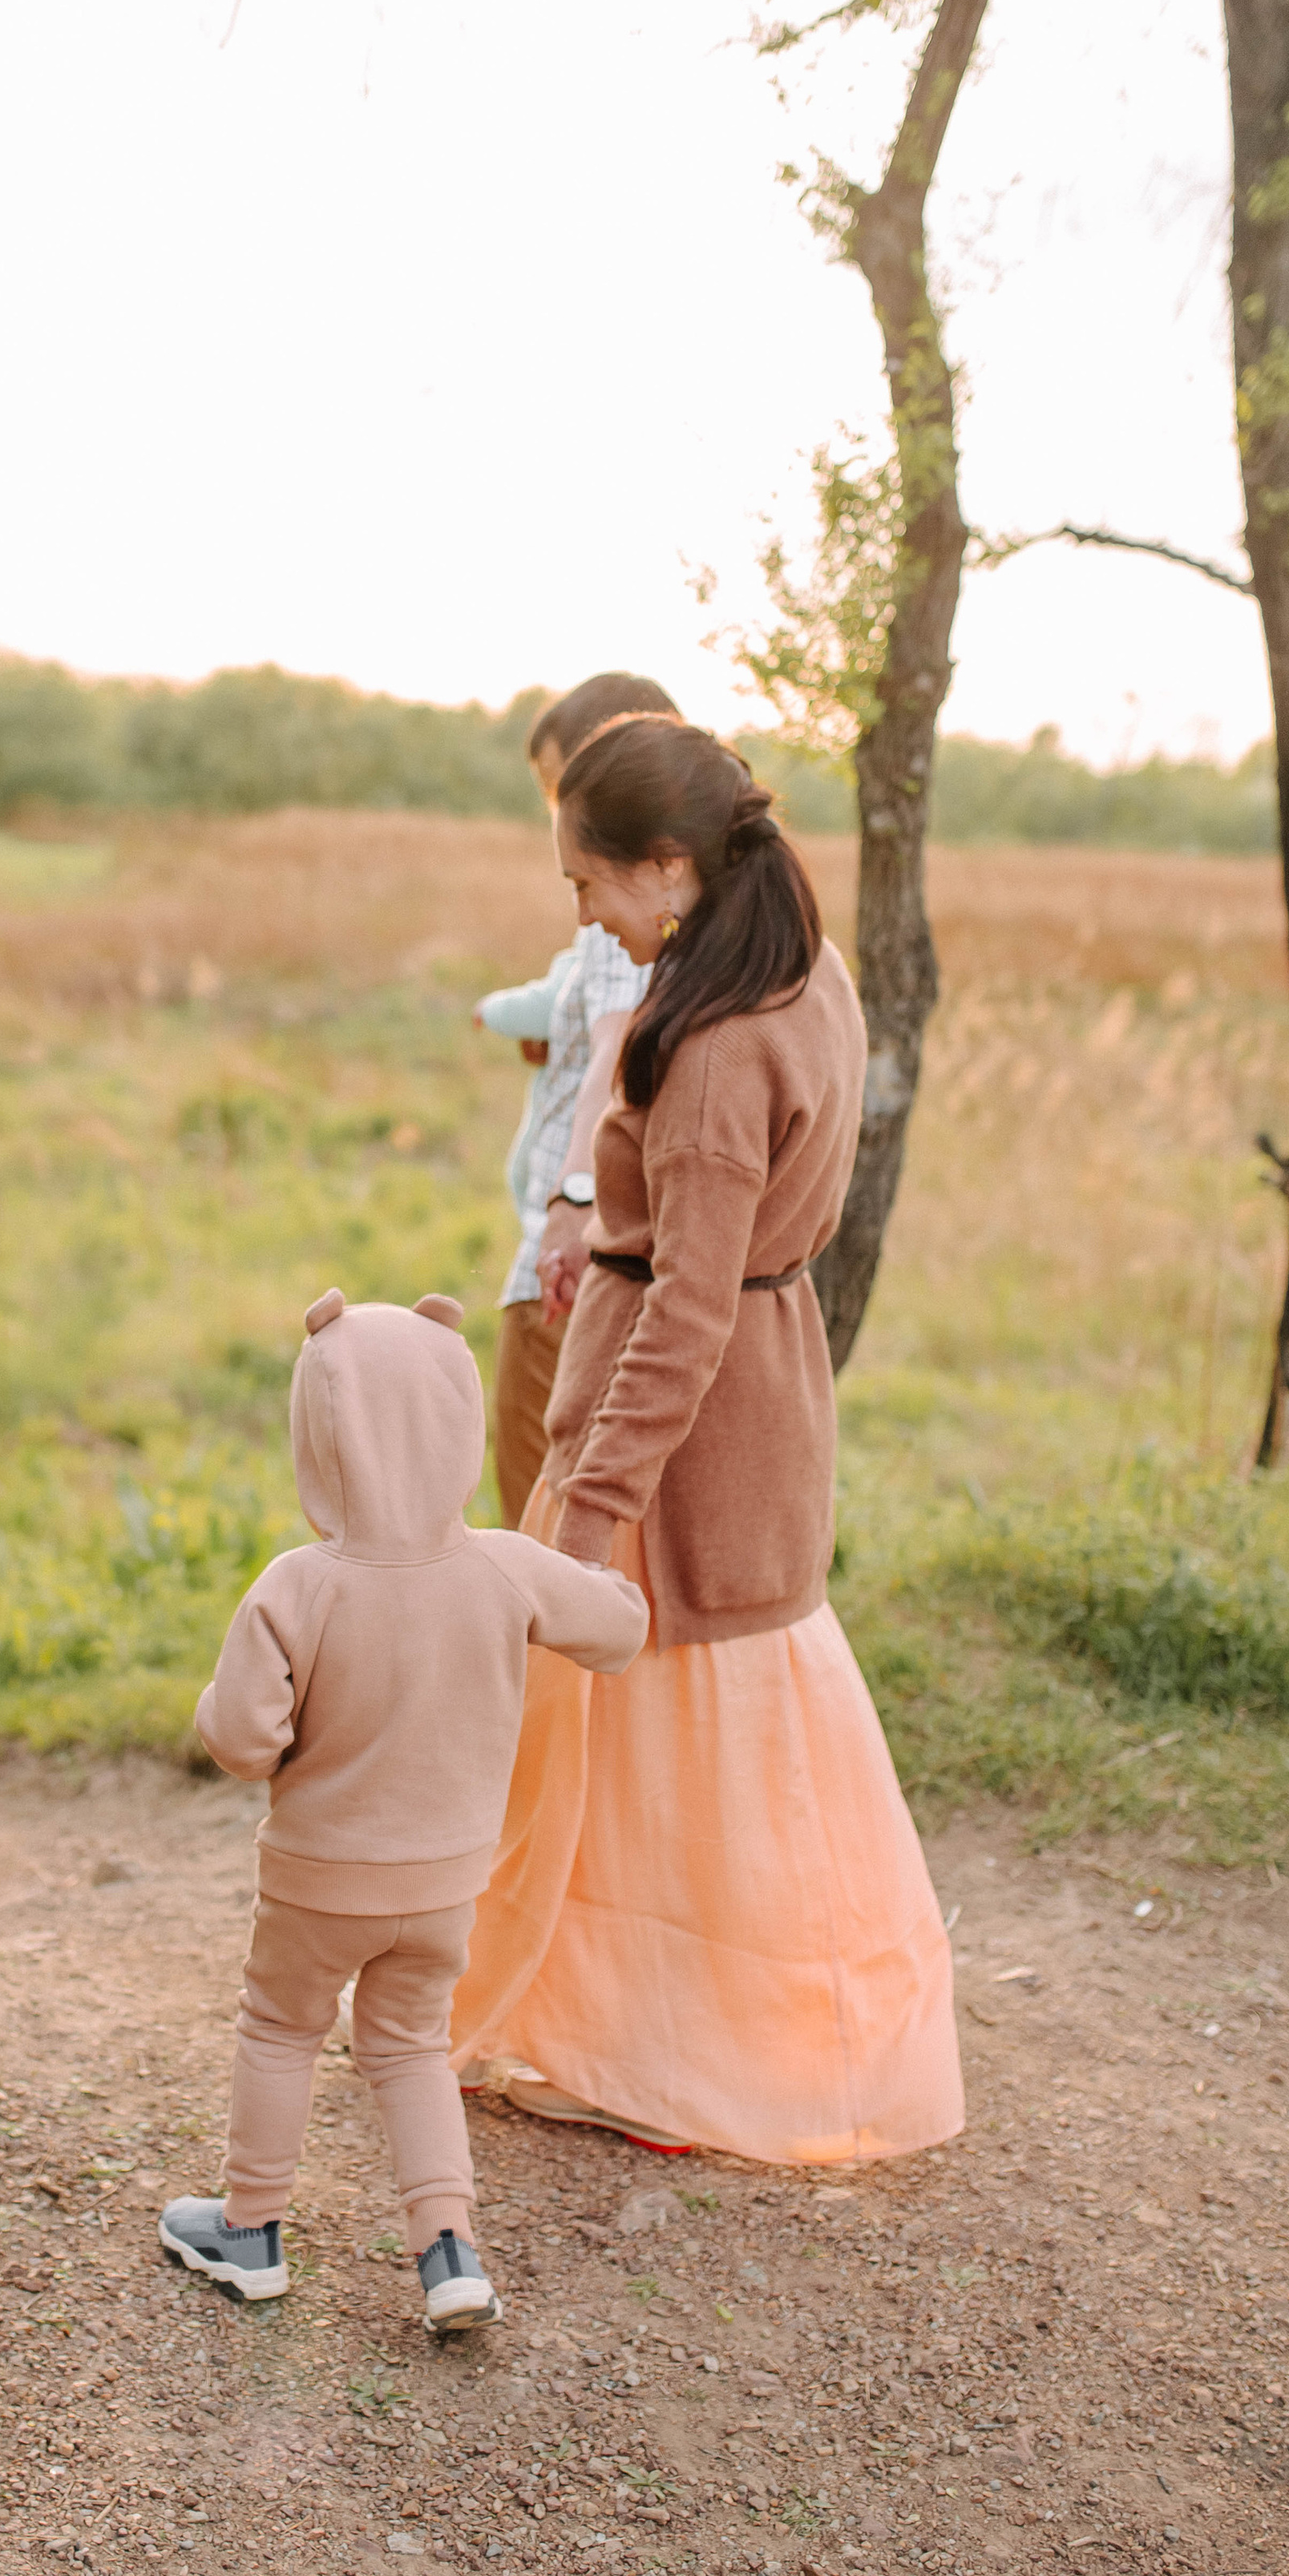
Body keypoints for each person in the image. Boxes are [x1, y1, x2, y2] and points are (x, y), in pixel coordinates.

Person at [451, 717, 965, 2168]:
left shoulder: (720, 1048)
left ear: (668, 866)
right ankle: (651, 2032)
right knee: (714, 1737)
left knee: (670, 1740)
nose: (584, 915)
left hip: (684, 1429)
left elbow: (685, 1308)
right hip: (759, 1396)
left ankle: (677, 2051)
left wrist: (596, 1502)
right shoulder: (800, 967)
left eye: (590, 884)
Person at [160, 1286, 648, 2336]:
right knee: (411, 2049)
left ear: (320, 1433)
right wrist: (612, 1575)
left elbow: (243, 1741)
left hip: (318, 1881)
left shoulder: (296, 1588)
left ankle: (250, 2231)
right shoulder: (502, 1569)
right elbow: (615, 1632)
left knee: (282, 2029)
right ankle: (448, 2252)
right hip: (444, 1885)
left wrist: (219, 1705)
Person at [476, 671, 679, 1529]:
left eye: (563, 787)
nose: (557, 819)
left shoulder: (615, 911)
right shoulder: (677, 910)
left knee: (536, 1497)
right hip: (610, 1246)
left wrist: (570, 1205)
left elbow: (611, 1055)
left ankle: (542, 1667)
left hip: (564, 1256)